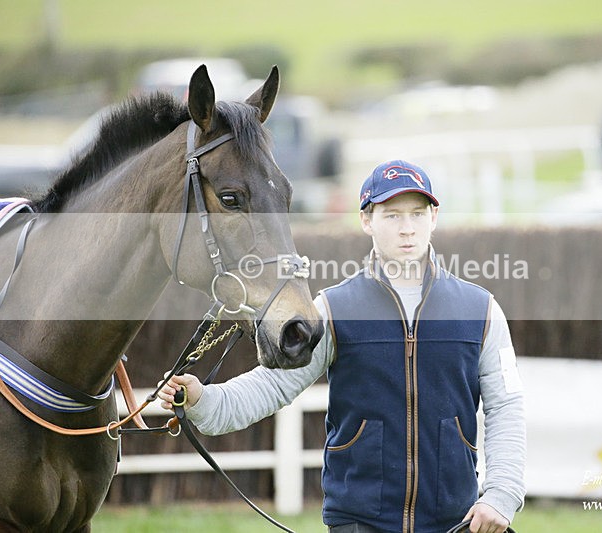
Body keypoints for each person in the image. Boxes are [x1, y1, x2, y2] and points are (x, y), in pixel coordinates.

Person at [159, 160, 527, 533]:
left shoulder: (481, 310)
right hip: (358, 522)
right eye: (392, 215)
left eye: (417, 214)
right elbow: (271, 386)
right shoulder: (332, 309)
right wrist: (203, 400)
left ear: (434, 217)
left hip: (455, 522)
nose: (407, 228)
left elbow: (506, 406)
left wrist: (501, 494)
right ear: (367, 220)